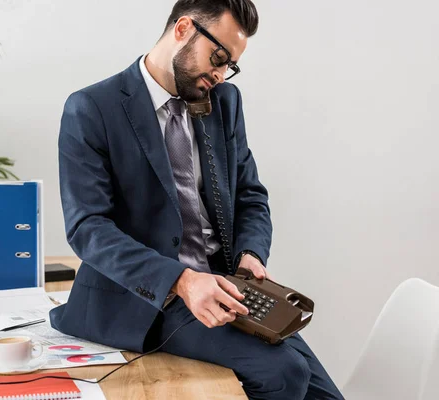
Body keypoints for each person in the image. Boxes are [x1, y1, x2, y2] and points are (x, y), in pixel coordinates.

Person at [50, 1, 344, 398]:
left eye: (230, 65)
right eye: (218, 58)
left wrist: (250, 255)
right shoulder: (91, 109)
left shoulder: (224, 103)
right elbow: (88, 228)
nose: (220, 75)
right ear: (184, 29)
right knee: (284, 374)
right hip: (148, 298)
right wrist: (181, 280)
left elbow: (251, 195)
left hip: (224, 286)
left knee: (325, 395)